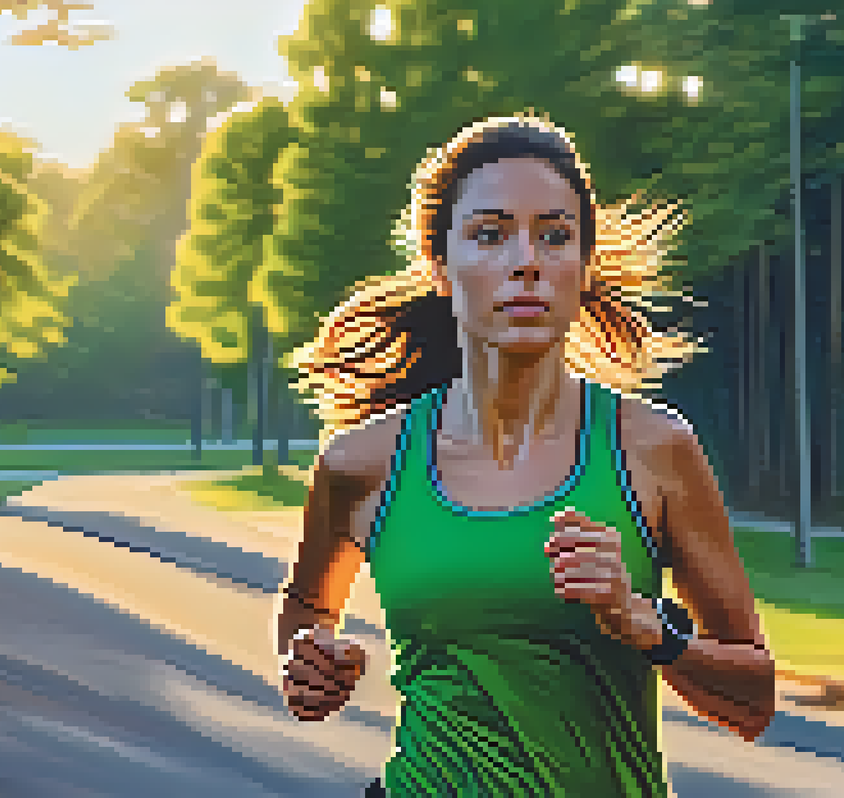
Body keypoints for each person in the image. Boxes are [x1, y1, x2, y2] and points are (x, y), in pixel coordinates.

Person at [275, 113, 776, 797]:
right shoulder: (362, 464)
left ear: (583, 265)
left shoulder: (654, 451)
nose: (527, 261)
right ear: (441, 266)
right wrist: (308, 664)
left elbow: (754, 701)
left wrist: (647, 627)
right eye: (490, 234)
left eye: (555, 235)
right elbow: (309, 606)